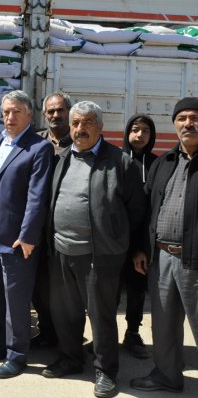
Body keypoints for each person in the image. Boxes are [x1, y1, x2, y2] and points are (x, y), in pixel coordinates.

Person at [42, 101, 145, 398]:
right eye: (75, 123)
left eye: (87, 123)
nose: (80, 129)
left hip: (100, 255)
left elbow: (137, 212)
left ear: (100, 127)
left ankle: (105, 371)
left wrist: (123, 242)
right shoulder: (63, 157)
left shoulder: (121, 162)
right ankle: (71, 358)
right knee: (65, 312)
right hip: (62, 250)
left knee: (101, 316)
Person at [0, 90, 53, 379]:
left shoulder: (38, 148)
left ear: (29, 115)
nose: (9, 117)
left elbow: (37, 196)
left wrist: (28, 236)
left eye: (16, 112)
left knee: (16, 299)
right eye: (6, 112)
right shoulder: (3, 140)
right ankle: (3, 344)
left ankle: (17, 354)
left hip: (16, 238)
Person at [130, 97, 198, 394]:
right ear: (174, 124)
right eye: (182, 118)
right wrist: (140, 248)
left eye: (194, 117)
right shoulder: (164, 163)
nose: (188, 123)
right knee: (164, 325)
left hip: (195, 260)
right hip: (161, 257)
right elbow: (146, 210)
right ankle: (167, 376)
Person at [31, 92, 73, 350]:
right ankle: (46, 330)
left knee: (64, 289)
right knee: (39, 285)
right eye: (51, 111)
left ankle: (66, 338)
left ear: (69, 112)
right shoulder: (36, 142)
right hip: (38, 226)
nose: (55, 115)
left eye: (60, 110)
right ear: (44, 114)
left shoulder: (79, 143)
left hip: (65, 227)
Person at [118, 113, 158, 359]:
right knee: (108, 292)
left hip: (141, 240)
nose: (140, 135)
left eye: (145, 131)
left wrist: (141, 247)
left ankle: (132, 333)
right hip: (114, 239)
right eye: (135, 129)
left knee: (136, 289)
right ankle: (104, 336)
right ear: (127, 132)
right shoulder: (116, 160)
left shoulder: (157, 164)